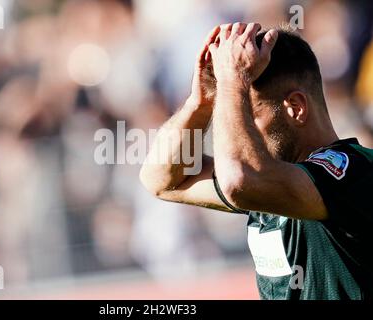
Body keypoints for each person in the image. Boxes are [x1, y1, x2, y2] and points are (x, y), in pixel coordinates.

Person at [139, 22, 373, 300]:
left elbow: (239, 180)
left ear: (295, 108)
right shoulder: (272, 179)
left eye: (248, 117)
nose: (235, 136)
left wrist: (232, 81)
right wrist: (200, 103)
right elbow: (160, 180)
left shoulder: (352, 171)